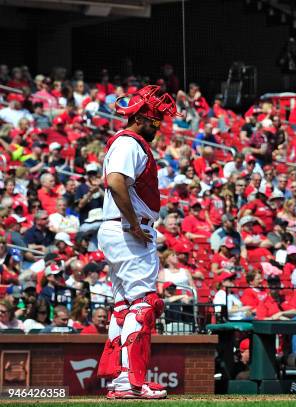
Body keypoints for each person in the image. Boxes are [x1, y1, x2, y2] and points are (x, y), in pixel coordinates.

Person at [96, 85, 181, 399]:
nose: (159, 126)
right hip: (127, 231)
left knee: (124, 305)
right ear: (144, 117)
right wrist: (133, 223)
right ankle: (133, 382)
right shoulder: (130, 143)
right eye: (157, 120)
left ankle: (121, 380)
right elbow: (116, 181)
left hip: (118, 230)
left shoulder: (127, 143)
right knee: (145, 304)